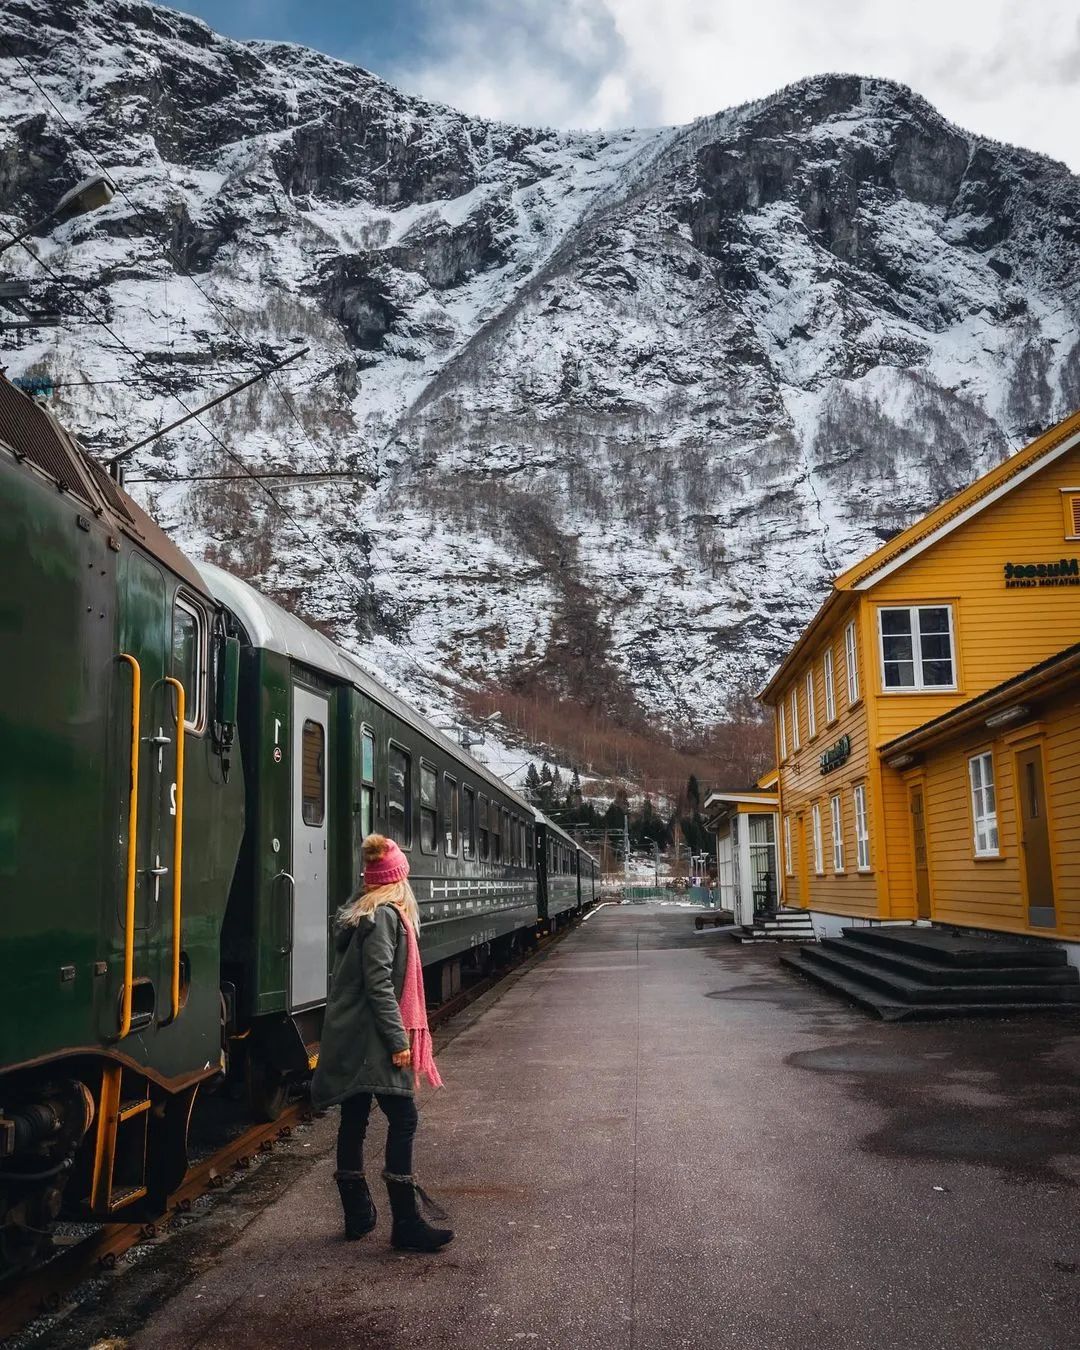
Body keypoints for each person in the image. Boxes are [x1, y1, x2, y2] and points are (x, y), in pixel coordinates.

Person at [311, 834, 453, 1252]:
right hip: (372, 1037)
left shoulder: (364, 914)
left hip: (353, 1034)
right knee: (404, 1118)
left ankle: (358, 1216)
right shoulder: (386, 918)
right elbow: (379, 985)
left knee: (354, 1118)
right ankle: (406, 1223)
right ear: (397, 880)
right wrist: (398, 1041)